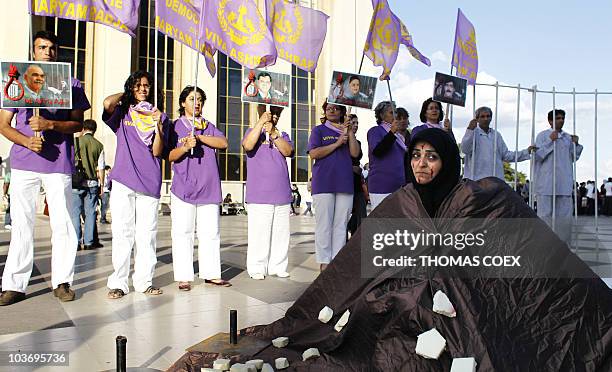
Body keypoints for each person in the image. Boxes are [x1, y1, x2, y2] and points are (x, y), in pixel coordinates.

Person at [174, 128, 612, 372]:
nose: (422, 163)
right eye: (416, 155)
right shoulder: (401, 204)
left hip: (469, 305)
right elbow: (352, 266)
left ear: (447, 162)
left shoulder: (479, 196)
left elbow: (528, 249)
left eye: (432, 157)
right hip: (406, 305)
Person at [0, 31, 90, 306]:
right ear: (34, 51)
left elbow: (77, 124)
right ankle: (15, 284)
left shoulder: (71, 83)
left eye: (52, 48)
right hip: (25, 163)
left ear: (57, 51)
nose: (47, 52)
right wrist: (27, 140)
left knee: (62, 223)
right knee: (21, 223)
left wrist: (51, 125)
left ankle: (62, 281)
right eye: (42, 47)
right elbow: (3, 124)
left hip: (57, 162)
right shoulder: (16, 81)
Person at [103, 70, 168, 299]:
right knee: (123, 233)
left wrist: (159, 126)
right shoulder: (123, 112)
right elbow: (107, 102)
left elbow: (158, 151)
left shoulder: (159, 115)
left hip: (149, 182)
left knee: (146, 235)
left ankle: (144, 281)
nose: (143, 89)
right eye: (138, 85)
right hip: (123, 180)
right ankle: (119, 282)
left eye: (146, 86)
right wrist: (129, 92)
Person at [168, 86, 230, 291]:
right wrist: (186, 147)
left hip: (209, 187)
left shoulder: (208, 126)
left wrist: (201, 138)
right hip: (183, 187)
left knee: (210, 233)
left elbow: (223, 143)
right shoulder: (174, 126)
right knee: (183, 232)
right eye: (192, 99)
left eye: (200, 99)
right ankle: (184, 276)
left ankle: (211, 273)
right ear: (182, 103)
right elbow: (169, 156)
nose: (197, 103)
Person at [242, 105, 293, 280]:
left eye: (277, 114)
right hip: (259, 194)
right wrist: (261, 123)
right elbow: (248, 145)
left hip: (281, 193)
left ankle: (278, 266)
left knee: (281, 233)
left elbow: (288, 151)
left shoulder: (282, 135)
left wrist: (273, 133)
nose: (274, 117)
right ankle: (257, 267)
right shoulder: (251, 131)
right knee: (259, 233)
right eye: (271, 113)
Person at [308, 102, 360, 271]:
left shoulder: (346, 131)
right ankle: (324, 261)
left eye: (335, 108)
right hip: (324, 183)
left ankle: (337, 262)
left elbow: (355, 153)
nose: (331, 110)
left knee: (341, 225)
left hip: (344, 183)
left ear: (341, 112)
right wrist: (337, 143)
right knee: (324, 225)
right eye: (328, 108)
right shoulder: (319, 130)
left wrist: (350, 132)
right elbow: (314, 153)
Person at [534, 109, 583, 242]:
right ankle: (544, 245)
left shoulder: (568, 137)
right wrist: (551, 141)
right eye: (558, 118)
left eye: (562, 118)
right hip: (546, 183)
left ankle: (563, 246)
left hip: (564, 183)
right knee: (545, 216)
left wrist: (576, 145)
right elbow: (538, 156)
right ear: (550, 121)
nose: (561, 120)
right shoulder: (543, 136)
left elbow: (573, 157)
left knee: (564, 218)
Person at [461, 106, 536, 180]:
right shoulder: (472, 133)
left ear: (491, 118)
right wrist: (470, 130)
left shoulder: (496, 135)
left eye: (488, 116)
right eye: (482, 116)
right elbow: (465, 149)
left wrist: (526, 151)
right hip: (477, 180)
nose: (486, 119)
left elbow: (506, 155)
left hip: (495, 179)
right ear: (477, 119)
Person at [367, 102, 409, 210]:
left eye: (395, 112)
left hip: (398, 185)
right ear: (382, 115)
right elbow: (378, 152)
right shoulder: (375, 131)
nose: (395, 115)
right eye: (391, 112)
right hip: (381, 186)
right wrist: (391, 133)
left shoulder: (399, 137)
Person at [71, 119, 105, 250]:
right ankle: (89, 241)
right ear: (94, 130)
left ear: (83, 128)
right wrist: (102, 184)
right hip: (91, 183)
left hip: (76, 182)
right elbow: (100, 167)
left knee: (75, 213)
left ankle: (76, 241)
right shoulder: (99, 145)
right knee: (91, 213)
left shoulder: (76, 141)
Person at [347, 114, 367, 235]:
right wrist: (350, 168)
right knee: (344, 213)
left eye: (357, 123)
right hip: (345, 181)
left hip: (356, 181)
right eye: (353, 123)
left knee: (361, 212)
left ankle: (357, 236)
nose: (355, 125)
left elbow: (357, 155)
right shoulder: (342, 140)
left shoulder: (357, 142)